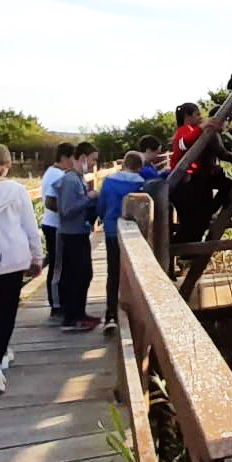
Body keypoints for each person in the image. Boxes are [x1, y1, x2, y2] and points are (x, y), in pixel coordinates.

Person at [0, 144, 41, 392]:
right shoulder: (17, 191)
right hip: (13, 259)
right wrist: (37, 257)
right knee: (6, 313)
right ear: (7, 165)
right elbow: (29, 226)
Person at [169, 103, 232, 242]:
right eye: (197, 114)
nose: (201, 117)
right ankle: (175, 250)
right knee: (192, 225)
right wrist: (202, 127)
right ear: (187, 117)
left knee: (196, 223)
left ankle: (183, 252)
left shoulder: (194, 130)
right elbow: (183, 143)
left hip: (192, 180)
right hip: (184, 184)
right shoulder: (185, 130)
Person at [98, 152, 146, 331]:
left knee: (113, 272)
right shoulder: (141, 184)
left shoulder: (109, 181)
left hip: (112, 230)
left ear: (124, 163)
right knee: (134, 274)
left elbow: (101, 206)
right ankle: (134, 314)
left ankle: (111, 315)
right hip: (135, 235)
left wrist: (101, 217)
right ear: (139, 166)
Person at [56, 142, 100, 332]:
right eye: (93, 160)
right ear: (82, 158)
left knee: (84, 274)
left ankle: (79, 314)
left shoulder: (77, 178)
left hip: (79, 232)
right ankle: (72, 318)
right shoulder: (71, 180)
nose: (93, 164)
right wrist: (88, 198)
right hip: (72, 234)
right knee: (77, 276)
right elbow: (66, 210)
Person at [39, 143, 74, 321]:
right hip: (55, 225)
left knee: (59, 264)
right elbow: (50, 202)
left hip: (56, 225)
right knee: (57, 266)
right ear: (66, 158)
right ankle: (57, 304)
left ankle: (61, 301)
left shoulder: (54, 173)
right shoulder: (57, 175)